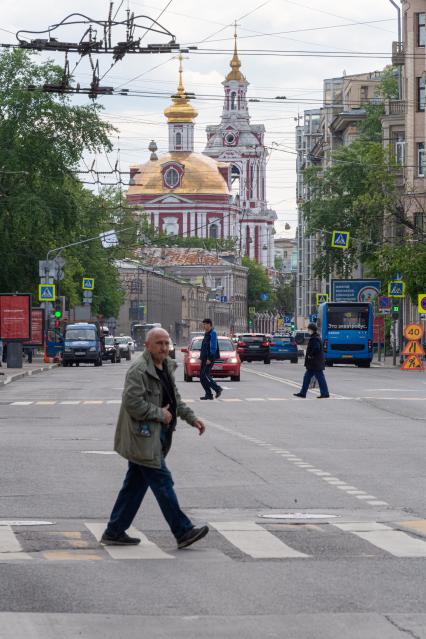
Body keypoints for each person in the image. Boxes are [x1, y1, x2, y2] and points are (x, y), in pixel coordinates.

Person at [102, 327, 209, 549]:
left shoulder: (166, 367)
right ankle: (183, 531)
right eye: (158, 343)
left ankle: (114, 530)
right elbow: (132, 403)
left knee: (134, 485)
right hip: (142, 437)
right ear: (147, 346)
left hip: (156, 436)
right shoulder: (139, 370)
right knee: (163, 482)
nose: (163, 348)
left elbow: (175, 399)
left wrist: (192, 418)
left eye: (166, 343)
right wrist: (160, 414)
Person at [294, 323, 330, 399]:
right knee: (307, 377)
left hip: (315, 363)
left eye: (309, 329)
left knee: (320, 378)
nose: (308, 330)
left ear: (312, 330)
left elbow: (316, 348)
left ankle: (325, 393)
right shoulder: (316, 337)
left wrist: (310, 355)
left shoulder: (315, 338)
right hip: (314, 363)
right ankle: (303, 393)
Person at [199, 318, 222, 400]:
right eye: (203, 324)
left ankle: (217, 388)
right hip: (204, 358)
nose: (204, 326)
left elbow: (213, 347)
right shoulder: (206, 333)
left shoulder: (213, 333)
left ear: (209, 324)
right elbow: (204, 346)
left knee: (205, 375)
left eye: (205, 324)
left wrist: (209, 358)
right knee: (201, 377)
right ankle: (208, 394)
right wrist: (201, 357)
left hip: (209, 358)